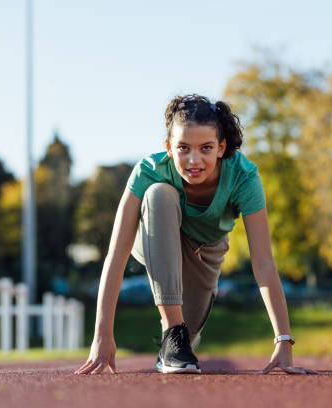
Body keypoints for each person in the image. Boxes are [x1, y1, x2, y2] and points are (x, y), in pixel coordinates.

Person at [75, 94, 316, 375]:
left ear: (221, 147)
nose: (194, 160)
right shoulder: (149, 171)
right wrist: (102, 334)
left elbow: (263, 262)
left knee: (186, 340)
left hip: (205, 253)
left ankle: (178, 334)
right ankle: (172, 329)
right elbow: (116, 255)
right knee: (159, 195)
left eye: (206, 148)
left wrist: (284, 339)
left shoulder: (243, 176)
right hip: (154, 238)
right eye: (183, 148)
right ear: (169, 147)